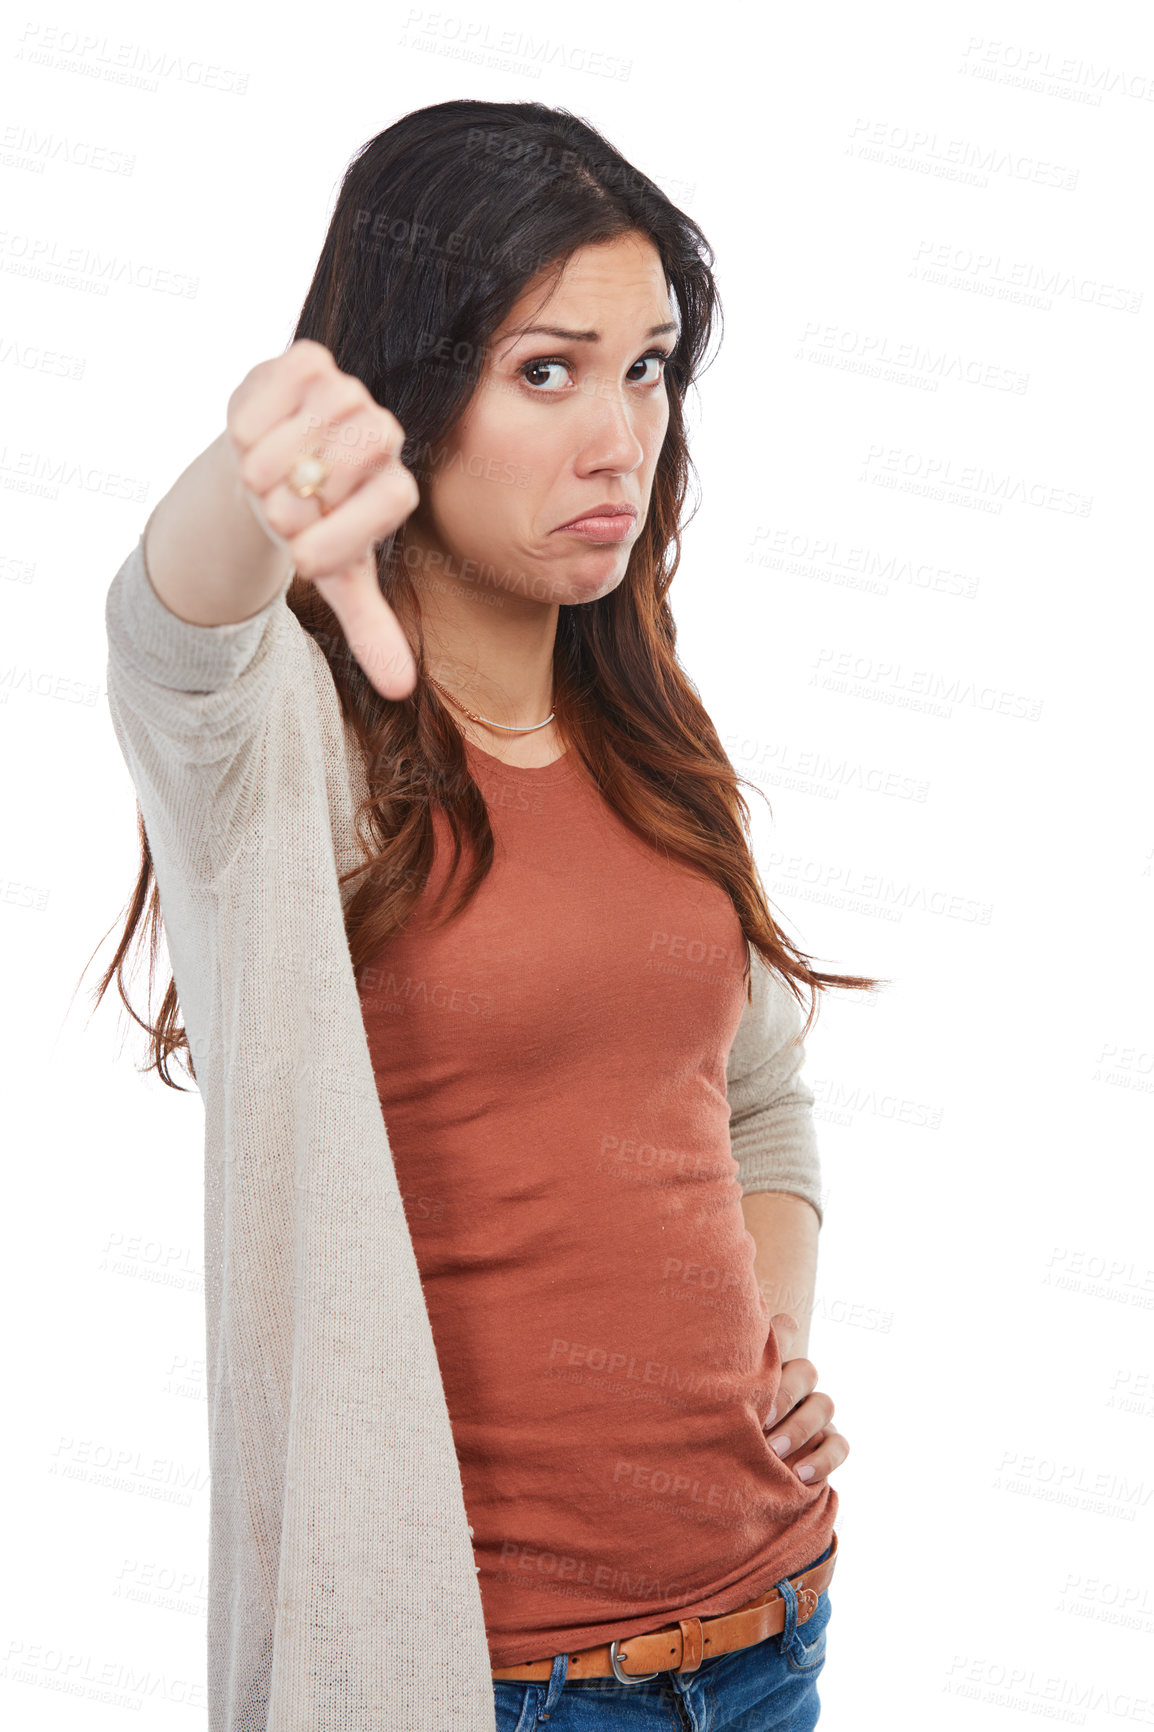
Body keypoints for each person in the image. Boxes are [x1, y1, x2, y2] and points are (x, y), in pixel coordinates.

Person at [92, 99, 881, 1732]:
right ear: (404, 390)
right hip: (501, 1679)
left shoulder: (647, 731)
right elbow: (171, 638)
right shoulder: (286, 749)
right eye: (545, 369)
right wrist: (261, 468)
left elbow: (752, 1098)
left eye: (647, 365)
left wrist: (776, 1343)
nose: (619, 435)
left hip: (765, 1633)